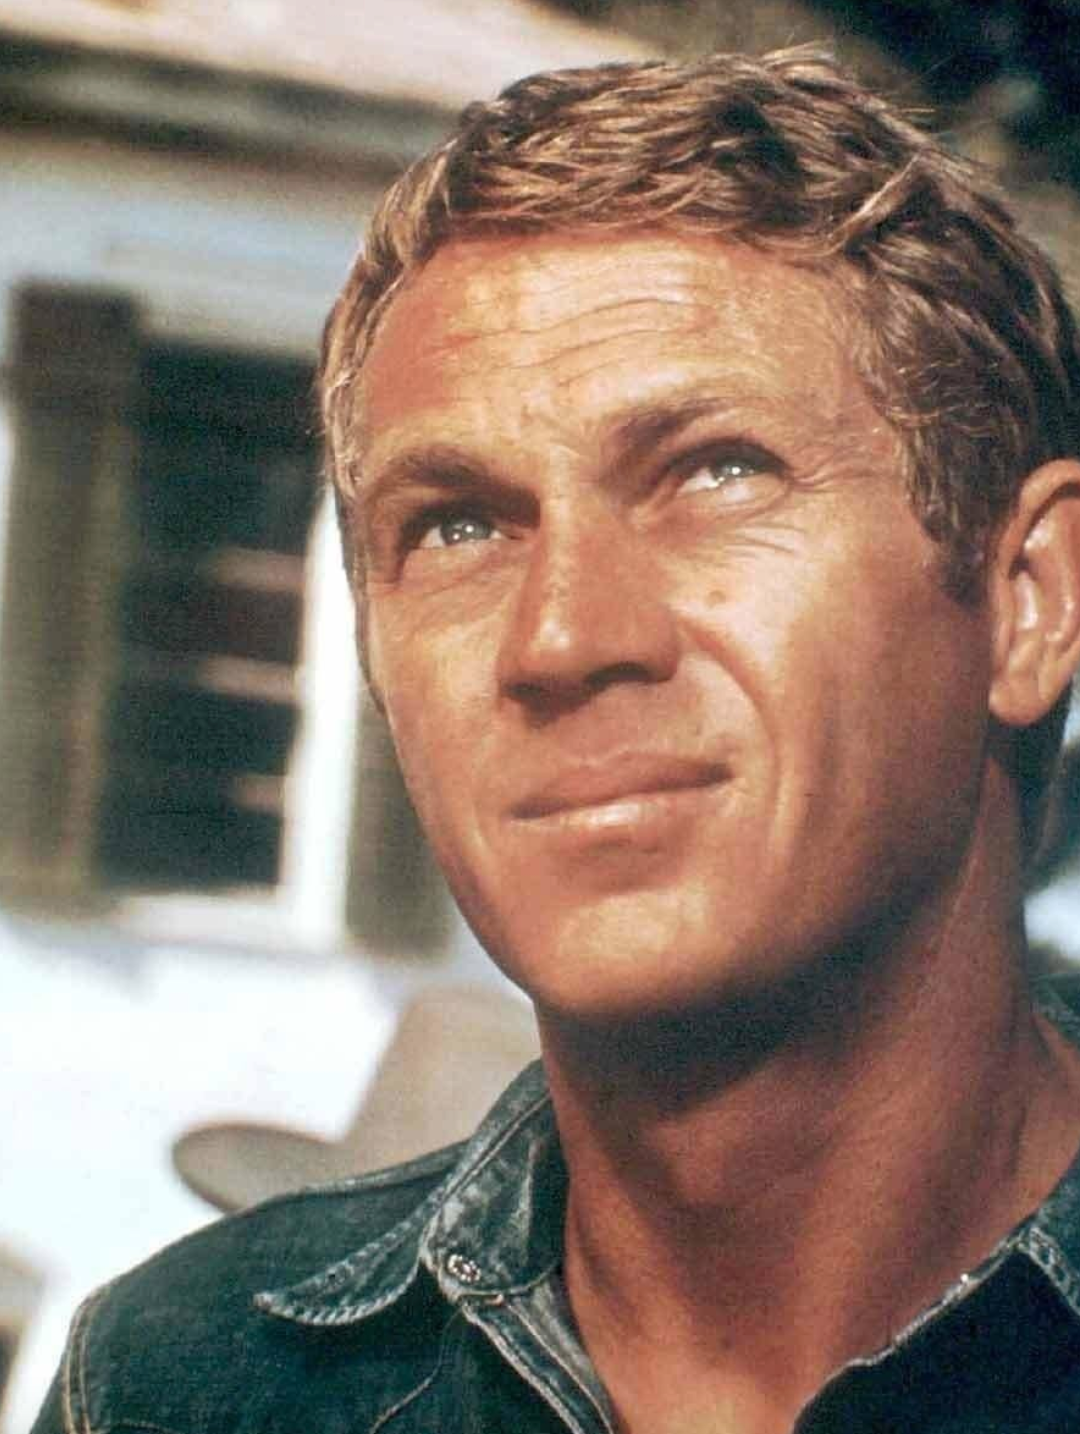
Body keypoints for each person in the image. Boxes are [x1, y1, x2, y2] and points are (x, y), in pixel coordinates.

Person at [33, 46, 1080, 1434]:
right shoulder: (180, 1387)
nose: (560, 638)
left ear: (1028, 599)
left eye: (716, 471)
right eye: (456, 525)